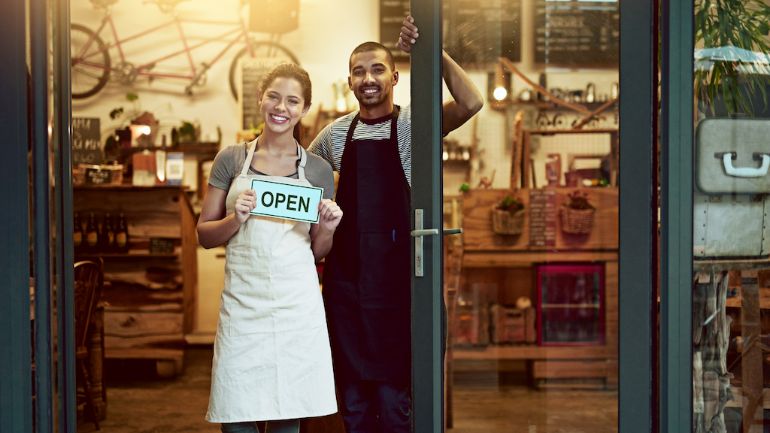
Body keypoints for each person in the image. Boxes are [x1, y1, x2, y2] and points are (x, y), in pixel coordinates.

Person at [308, 16, 484, 433]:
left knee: (394, 401)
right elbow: (300, 176)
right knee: (352, 402)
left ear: (395, 76)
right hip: (349, 288)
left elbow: (472, 102)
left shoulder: (414, 125)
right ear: (349, 82)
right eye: (358, 71)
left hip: (402, 284)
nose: (368, 78)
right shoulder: (334, 136)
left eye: (377, 69)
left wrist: (432, 50)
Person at [198, 63, 343, 433]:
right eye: (274, 97)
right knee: (236, 417)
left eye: (293, 101)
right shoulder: (230, 160)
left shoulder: (318, 171)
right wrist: (236, 219)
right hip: (243, 308)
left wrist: (327, 227)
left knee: (287, 417)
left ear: (304, 108)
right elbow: (204, 235)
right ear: (261, 99)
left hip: (295, 308)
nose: (282, 107)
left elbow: (317, 251)